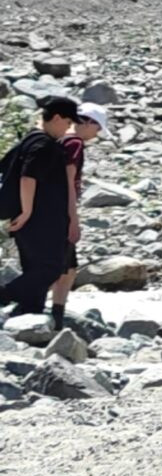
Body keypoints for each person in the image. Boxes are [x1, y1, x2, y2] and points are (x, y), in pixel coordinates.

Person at [1, 97, 79, 317]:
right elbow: (28, 178)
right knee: (50, 269)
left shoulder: (28, 140)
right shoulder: (43, 144)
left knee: (34, 271)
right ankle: (4, 296)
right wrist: (26, 212)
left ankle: (27, 318)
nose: (68, 129)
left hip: (29, 220)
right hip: (38, 220)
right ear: (56, 118)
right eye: (67, 122)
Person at [43, 103, 113, 322]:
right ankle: (51, 313)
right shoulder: (74, 143)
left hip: (47, 209)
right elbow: (68, 180)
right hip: (60, 212)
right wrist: (73, 218)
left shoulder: (57, 138)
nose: (97, 134)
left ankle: (53, 312)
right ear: (87, 122)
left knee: (68, 267)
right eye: (97, 128)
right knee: (62, 268)